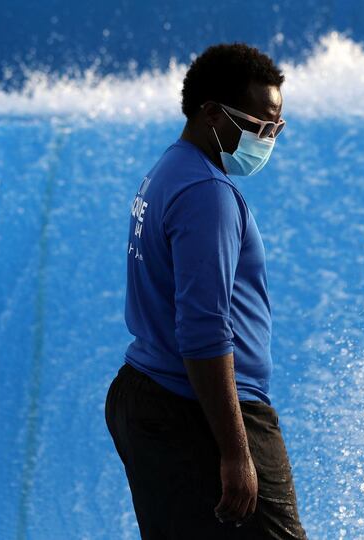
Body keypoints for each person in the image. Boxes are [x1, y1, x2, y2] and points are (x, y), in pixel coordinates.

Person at [104, 42, 307, 539]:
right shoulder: (206, 194)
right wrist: (237, 452)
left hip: (148, 396)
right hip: (200, 410)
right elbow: (203, 328)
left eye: (276, 129)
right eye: (259, 127)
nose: (269, 139)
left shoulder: (169, 171)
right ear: (213, 114)